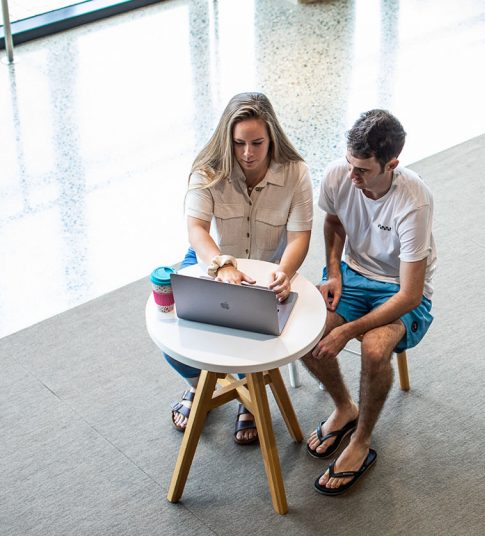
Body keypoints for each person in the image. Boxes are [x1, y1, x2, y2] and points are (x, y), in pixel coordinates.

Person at [165, 92, 313, 445]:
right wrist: (222, 265)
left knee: (258, 329)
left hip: (267, 267)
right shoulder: (207, 170)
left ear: (271, 137)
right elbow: (197, 230)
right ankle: (205, 385)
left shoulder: (296, 173)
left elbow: (299, 237)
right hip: (211, 259)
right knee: (173, 332)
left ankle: (241, 388)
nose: (247, 153)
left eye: (257, 143)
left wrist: (285, 271)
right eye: (239, 143)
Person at [302, 109, 436, 495]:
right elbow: (334, 222)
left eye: (361, 169)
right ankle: (344, 407)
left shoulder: (414, 201)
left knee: (376, 349)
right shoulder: (339, 175)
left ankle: (360, 440)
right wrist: (333, 272)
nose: (351, 176)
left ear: (391, 164)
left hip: (401, 288)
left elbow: (410, 294)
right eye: (348, 163)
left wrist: (348, 330)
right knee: (304, 328)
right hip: (354, 274)